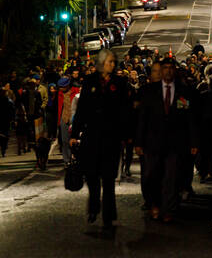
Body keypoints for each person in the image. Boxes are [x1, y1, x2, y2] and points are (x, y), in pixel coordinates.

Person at [69, 49, 131, 231]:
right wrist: (75, 134)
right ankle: (94, 206)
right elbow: (82, 110)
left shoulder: (120, 83)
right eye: (110, 62)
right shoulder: (89, 81)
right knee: (92, 176)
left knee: (109, 178)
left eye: (114, 62)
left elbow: (124, 110)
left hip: (111, 137)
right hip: (92, 136)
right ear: (102, 63)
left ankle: (109, 215)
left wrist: (126, 134)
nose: (113, 65)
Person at [135, 60, 199, 223]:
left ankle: (168, 209)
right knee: (152, 175)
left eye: (171, 68)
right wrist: (139, 142)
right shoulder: (150, 91)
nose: (168, 71)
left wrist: (193, 142)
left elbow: (190, 119)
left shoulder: (183, 92)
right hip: (152, 142)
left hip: (175, 143)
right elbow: (142, 118)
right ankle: (154, 203)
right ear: (161, 71)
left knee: (171, 177)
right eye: (165, 68)